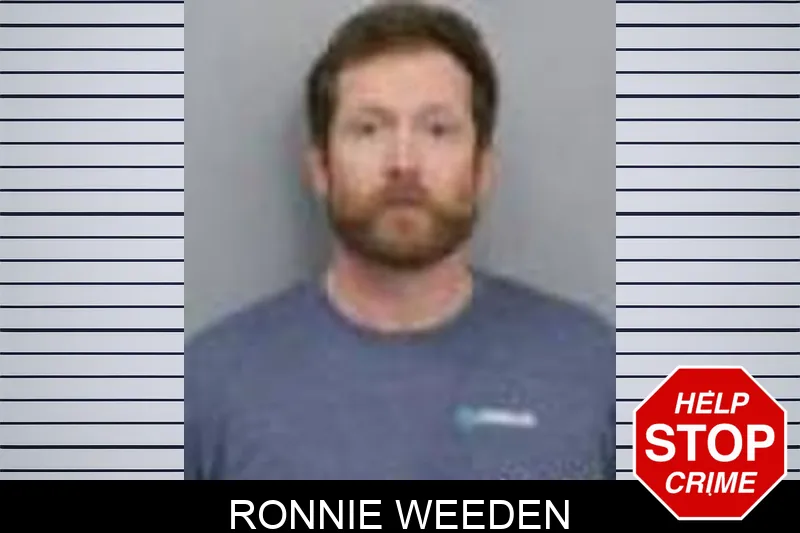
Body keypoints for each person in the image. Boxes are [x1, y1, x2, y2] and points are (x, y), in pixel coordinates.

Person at [185, 0, 615, 480]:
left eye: (438, 129)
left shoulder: (598, 372)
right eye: (369, 129)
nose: (404, 162)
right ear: (321, 168)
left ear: (482, 170)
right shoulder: (209, 387)